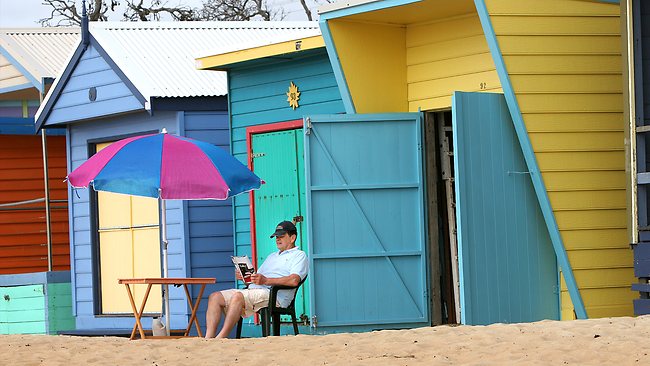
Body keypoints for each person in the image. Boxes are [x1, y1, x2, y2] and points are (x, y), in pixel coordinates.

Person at [205, 220, 308, 338]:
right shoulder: (272, 256)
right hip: (254, 291)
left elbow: (294, 280)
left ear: (292, 238)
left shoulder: (299, 255)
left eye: (281, 236)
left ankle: (221, 338)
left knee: (238, 296)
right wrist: (245, 278)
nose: (277, 239)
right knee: (215, 297)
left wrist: (266, 281)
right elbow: (258, 279)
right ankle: (208, 339)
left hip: (275, 296)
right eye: (276, 237)